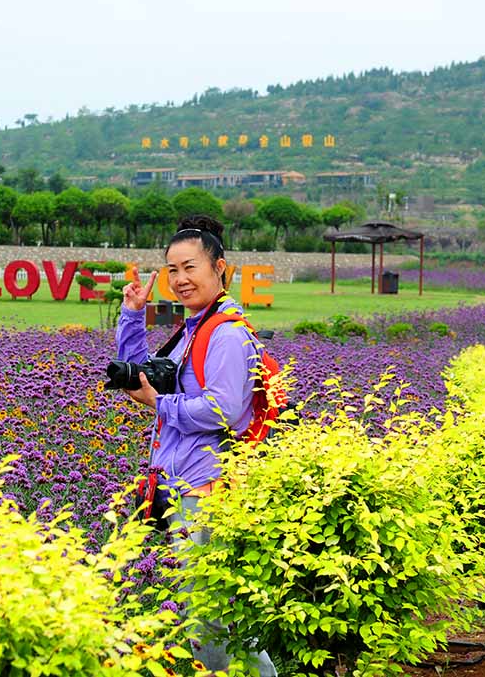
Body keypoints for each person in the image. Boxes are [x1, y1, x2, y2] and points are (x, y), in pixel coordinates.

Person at [115, 215, 278, 676]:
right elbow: (137, 377)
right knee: (217, 615)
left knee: (206, 618)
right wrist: (132, 315)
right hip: (184, 484)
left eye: (190, 267)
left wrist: (163, 405)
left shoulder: (225, 333)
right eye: (172, 270)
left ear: (219, 268)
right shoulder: (194, 329)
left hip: (207, 489)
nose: (180, 279)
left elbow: (224, 410)